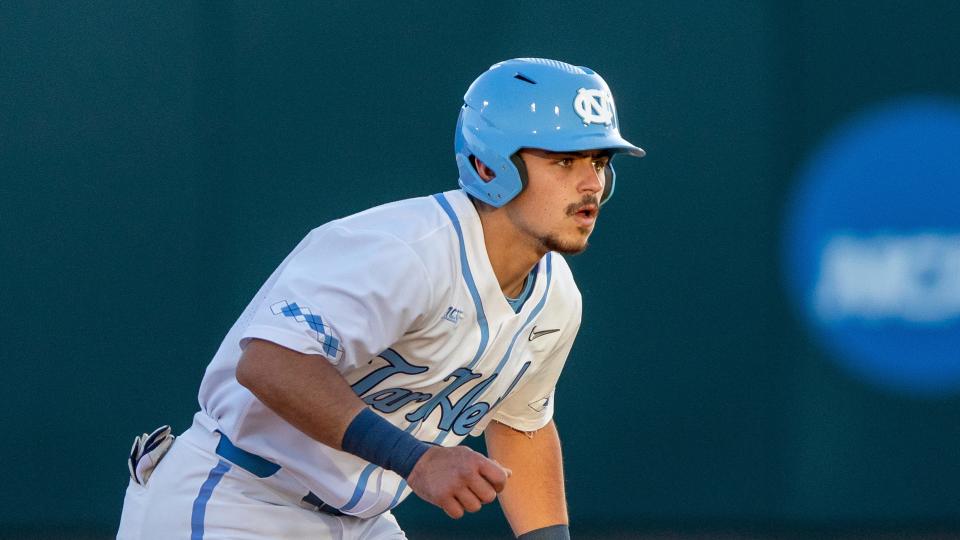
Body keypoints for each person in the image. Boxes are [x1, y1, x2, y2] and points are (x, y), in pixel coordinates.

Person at [117, 57, 644, 540]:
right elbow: (269, 362)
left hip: (362, 523)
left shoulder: (556, 298)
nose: (591, 183)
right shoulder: (405, 249)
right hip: (237, 496)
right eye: (565, 160)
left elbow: (520, 423)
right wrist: (415, 459)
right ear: (489, 166)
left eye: (598, 160)